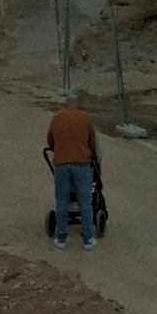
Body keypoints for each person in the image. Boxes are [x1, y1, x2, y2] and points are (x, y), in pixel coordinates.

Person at [46, 92, 99, 251]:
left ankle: (61, 238)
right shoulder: (85, 117)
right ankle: (88, 238)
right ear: (78, 105)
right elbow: (92, 142)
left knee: (62, 200)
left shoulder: (57, 117)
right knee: (85, 201)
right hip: (81, 164)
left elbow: (50, 140)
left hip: (62, 164)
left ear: (65, 105)